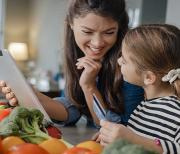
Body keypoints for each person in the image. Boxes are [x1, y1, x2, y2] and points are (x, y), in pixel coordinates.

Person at [0, 0, 143, 127]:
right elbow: (73, 110)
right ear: (71, 24)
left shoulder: (132, 64)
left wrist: (89, 86)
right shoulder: (78, 56)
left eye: (109, 32)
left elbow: (115, 129)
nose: (98, 43)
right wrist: (36, 98)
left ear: (119, 28)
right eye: (87, 32)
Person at [99, 24, 180, 154]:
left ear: (148, 77)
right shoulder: (145, 105)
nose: (118, 62)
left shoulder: (176, 112)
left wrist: (133, 139)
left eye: (124, 60)